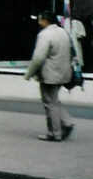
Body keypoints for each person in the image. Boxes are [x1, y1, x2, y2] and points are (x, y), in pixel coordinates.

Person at [24, 10, 74, 142]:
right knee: (54, 101)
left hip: (49, 74)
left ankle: (54, 133)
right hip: (63, 72)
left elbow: (38, 58)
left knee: (49, 103)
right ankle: (67, 122)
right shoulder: (63, 32)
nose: (39, 21)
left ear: (45, 20)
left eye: (40, 19)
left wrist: (29, 74)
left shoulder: (45, 35)